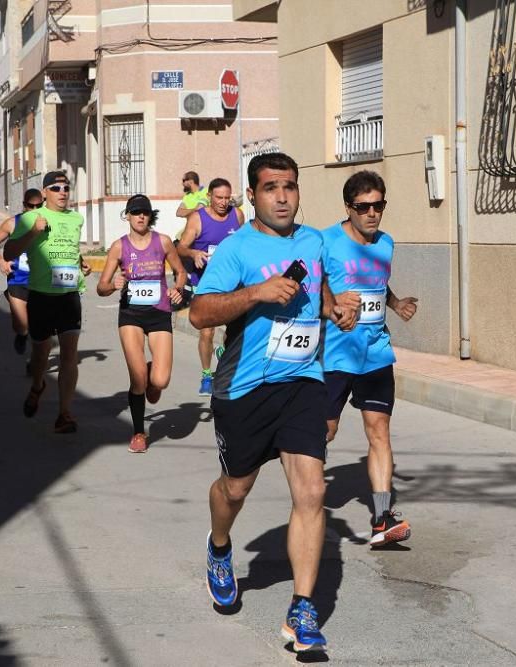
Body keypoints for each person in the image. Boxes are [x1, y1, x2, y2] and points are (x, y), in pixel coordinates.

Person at [189, 152, 357, 654]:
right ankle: (220, 547)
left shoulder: (315, 241)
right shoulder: (236, 249)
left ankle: (302, 610)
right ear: (253, 196)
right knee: (235, 489)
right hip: (243, 389)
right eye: (270, 188)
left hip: (303, 382)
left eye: (290, 186)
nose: (282, 196)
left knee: (310, 492)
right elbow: (200, 311)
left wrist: (336, 310)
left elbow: (319, 293)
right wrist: (256, 293)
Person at [322, 171, 418, 547]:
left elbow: (378, 283)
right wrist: (332, 306)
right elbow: (315, 283)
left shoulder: (385, 244)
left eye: (379, 206)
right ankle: (309, 495)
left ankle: (382, 517)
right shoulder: (326, 241)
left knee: (379, 431)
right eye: (364, 207)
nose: (372, 214)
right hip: (336, 354)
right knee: (324, 430)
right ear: (349, 208)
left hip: (376, 353)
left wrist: (395, 304)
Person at [4, 171, 92, 434]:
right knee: (41, 355)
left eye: (66, 187)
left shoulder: (77, 218)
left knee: (69, 355)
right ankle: (38, 385)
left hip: (69, 295)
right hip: (40, 296)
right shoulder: (31, 217)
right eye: (56, 188)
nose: (63, 191)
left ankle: (64, 414)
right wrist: (33, 232)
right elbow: (9, 252)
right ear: (44, 193)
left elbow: (70, 249)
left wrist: (80, 264)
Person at [97, 195, 187, 453]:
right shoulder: (118, 247)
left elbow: (181, 272)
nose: (140, 217)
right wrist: (112, 285)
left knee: (160, 380)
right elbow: (101, 287)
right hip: (131, 316)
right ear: (127, 215)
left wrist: (178, 289)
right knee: (138, 380)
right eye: (135, 212)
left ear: (150, 216)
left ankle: (151, 373)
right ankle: (138, 432)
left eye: (144, 213)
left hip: (159, 313)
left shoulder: (163, 242)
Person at [177, 177, 244, 395]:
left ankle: (223, 352)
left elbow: (244, 245)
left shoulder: (238, 215)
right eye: (219, 198)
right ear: (209, 197)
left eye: (227, 197)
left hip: (231, 283)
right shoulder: (198, 219)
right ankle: (207, 375)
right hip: (205, 283)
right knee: (207, 332)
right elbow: (181, 248)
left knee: (234, 330)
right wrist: (194, 252)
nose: (224, 202)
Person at [0, 189, 43, 371]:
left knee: (39, 327)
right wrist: (1, 262)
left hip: (41, 281)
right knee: (22, 323)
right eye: (30, 206)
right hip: (17, 279)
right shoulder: (12, 223)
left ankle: (34, 362)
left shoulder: (49, 223)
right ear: (24, 205)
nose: (34, 209)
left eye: (38, 206)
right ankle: (21, 333)